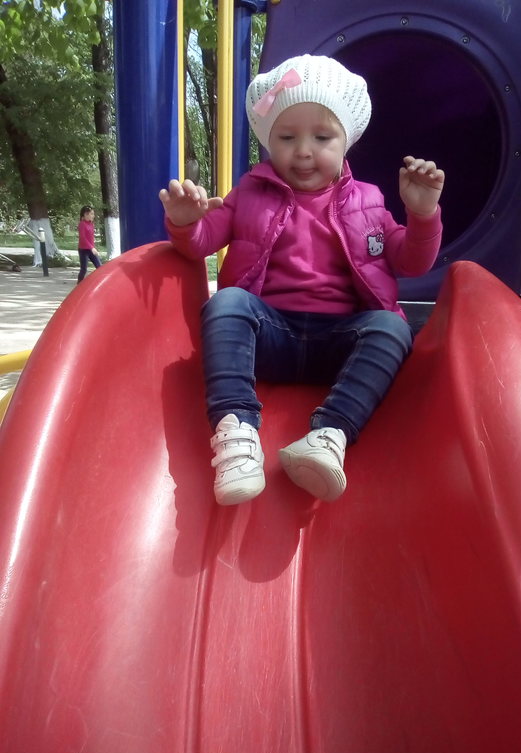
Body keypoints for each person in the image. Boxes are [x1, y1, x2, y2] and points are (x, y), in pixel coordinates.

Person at [159, 54, 445, 506]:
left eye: (322, 137)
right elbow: (200, 244)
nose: (304, 150)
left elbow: (411, 262)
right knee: (227, 303)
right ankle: (237, 431)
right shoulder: (249, 192)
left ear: (346, 141)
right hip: (268, 337)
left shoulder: (368, 201)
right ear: (269, 141)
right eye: (287, 137)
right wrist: (185, 222)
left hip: (340, 342)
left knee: (392, 327)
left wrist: (423, 215)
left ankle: (330, 436)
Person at [77, 205, 102, 283]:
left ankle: (101, 283)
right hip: (83, 250)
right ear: (85, 214)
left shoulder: (91, 224)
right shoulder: (82, 224)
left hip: (91, 249)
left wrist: (93, 248)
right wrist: (92, 248)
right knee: (84, 269)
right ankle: (79, 284)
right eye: (91, 214)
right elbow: (83, 238)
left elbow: (90, 238)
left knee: (100, 267)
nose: (93, 216)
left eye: (93, 214)